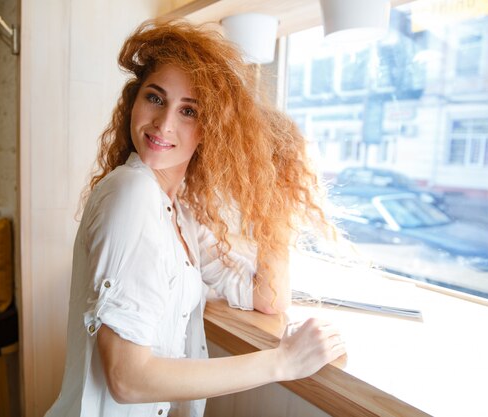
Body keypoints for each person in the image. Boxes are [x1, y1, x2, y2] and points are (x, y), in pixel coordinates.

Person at [45, 19, 346, 417]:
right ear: (134, 102)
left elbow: (267, 298)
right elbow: (127, 378)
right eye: (155, 98)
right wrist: (282, 362)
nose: (164, 124)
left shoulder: (179, 214)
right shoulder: (131, 195)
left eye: (189, 110)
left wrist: (275, 194)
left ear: (210, 130)